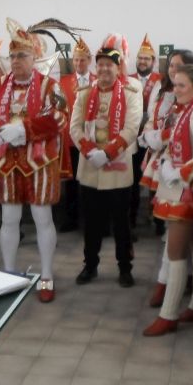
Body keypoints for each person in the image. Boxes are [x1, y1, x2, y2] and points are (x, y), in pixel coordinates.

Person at [0, 18, 68, 302]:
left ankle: (47, 275)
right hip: (6, 163)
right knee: (9, 219)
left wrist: (25, 130)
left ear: (35, 57)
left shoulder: (50, 86)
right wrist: (0, 131)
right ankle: (8, 273)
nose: (16, 61)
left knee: (42, 218)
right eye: (13, 55)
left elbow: (60, 117)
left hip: (40, 163)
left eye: (22, 55)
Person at [142, 63, 193, 336]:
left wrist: (180, 172)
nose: (176, 90)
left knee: (175, 252)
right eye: (174, 85)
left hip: (187, 190)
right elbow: (177, 143)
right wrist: (166, 161)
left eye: (182, 85)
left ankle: (169, 314)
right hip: (184, 188)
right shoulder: (187, 110)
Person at [70, 34, 143, 287]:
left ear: (118, 67)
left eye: (109, 65)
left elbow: (132, 127)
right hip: (90, 166)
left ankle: (125, 268)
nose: (103, 69)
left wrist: (108, 153)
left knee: (122, 223)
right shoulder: (84, 94)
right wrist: (91, 152)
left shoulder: (131, 93)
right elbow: (74, 128)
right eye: (100, 64)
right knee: (91, 223)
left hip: (118, 167)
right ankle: (90, 265)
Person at [141, 49, 193, 307]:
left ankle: (167, 281)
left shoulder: (192, 97)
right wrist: (149, 134)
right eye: (171, 65)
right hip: (162, 159)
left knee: (180, 226)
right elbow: (153, 117)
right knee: (173, 224)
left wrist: (161, 137)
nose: (173, 70)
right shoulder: (162, 90)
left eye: (179, 66)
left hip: (181, 163)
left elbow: (182, 129)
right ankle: (179, 278)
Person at [58, 37, 95, 231]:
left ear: (90, 60)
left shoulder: (98, 81)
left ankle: (91, 219)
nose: (79, 63)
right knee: (72, 181)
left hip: (93, 139)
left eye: (82, 59)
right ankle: (71, 219)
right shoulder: (63, 83)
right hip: (71, 139)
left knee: (91, 181)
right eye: (76, 60)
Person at [129, 34, 162, 227]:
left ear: (153, 61)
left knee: (155, 179)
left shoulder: (161, 81)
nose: (142, 61)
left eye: (146, 59)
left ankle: (157, 220)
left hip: (153, 138)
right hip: (132, 138)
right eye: (140, 58)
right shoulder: (127, 79)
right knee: (133, 180)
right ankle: (131, 220)